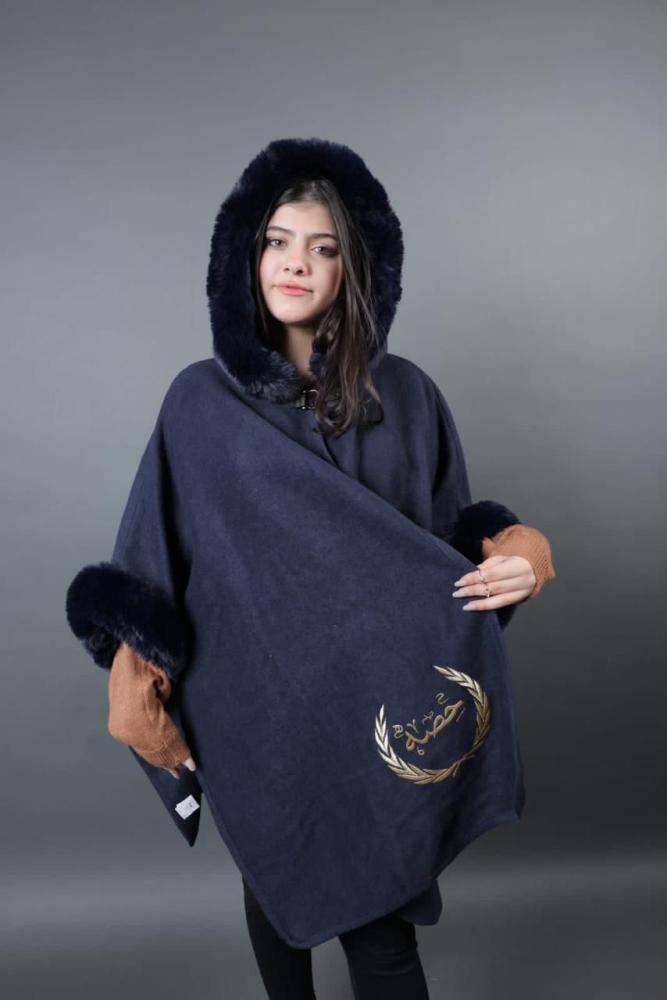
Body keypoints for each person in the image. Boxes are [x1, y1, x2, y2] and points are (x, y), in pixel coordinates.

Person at [66, 137, 555, 999]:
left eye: (322, 248)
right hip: (253, 709)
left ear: (355, 269)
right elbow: (153, 558)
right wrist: (137, 692)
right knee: (274, 881)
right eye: (277, 241)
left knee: (382, 935)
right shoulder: (198, 401)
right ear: (244, 256)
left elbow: (442, 550)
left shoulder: (406, 396)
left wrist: (519, 551)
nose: (295, 263)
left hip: (376, 704)